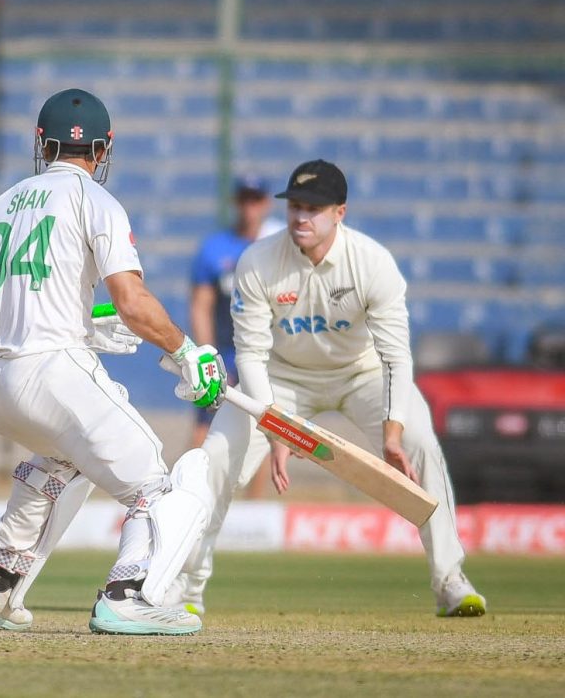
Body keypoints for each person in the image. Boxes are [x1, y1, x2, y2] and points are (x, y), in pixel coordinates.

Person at [0, 88, 228, 636]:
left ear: (39, 142)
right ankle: (129, 595)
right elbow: (132, 300)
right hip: (50, 370)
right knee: (154, 482)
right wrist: (186, 350)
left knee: (63, 459)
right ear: (104, 150)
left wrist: (81, 319)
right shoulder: (96, 201)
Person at [164, 159, 487, 618]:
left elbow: (396, 356)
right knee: (216, 458)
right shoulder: (257, 260)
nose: (300, 217)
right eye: (295, 206)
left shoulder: (373, 263)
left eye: (313, 208)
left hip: (362, 374)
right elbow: (251, 355)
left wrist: (392, 433)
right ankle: (186, 588)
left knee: (420, 442)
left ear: (340, 212)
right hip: (283, 376)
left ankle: (450, 580)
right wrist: (275, 427)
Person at [188, 176, 283, 497]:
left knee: (264, 426)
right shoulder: (215, 249)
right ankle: (191, 497)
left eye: (255, 199)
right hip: (226, 351)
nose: (249, 207)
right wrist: (207, 352)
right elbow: (201, 305)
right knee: (205, 423)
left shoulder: (277, 247)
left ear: (266, 203)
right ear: (236, 202)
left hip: (264, 353)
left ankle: (251, 510)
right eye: (244, 199)